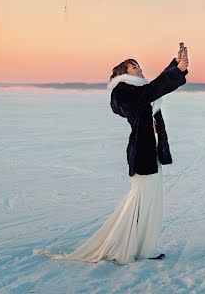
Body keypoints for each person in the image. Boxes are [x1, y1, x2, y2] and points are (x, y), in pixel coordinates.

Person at [40, 45, 189, 264]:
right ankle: (123, 247)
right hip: (142, 153)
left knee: (152, 202)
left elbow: (153, 89)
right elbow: (150, 92)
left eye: (138, 65)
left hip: (152, 152)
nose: (138, 68)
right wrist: (176, 71)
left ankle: (145, 247)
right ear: (123, 73)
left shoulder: (140, 89)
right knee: (140, 201)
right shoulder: (122, 92)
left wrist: (176, 65)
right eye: (133, 66)